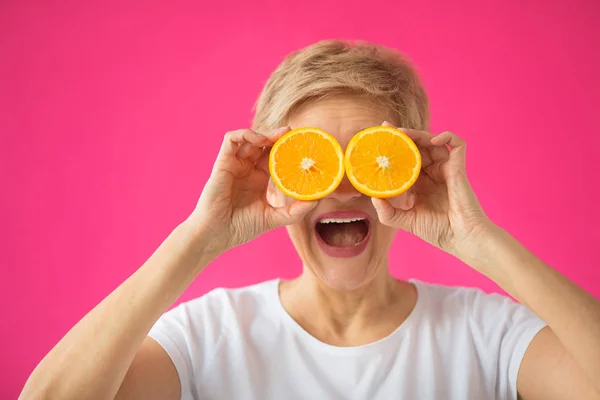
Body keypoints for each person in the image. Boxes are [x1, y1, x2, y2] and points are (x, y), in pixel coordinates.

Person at [20, 40, 600, 400]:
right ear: (277, 174)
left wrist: (480, 242)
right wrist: (198, 239)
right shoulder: (210, 336)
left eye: (370, 160)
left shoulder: (486, 336)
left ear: (408, 169)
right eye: (314, 162)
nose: (344, 187)